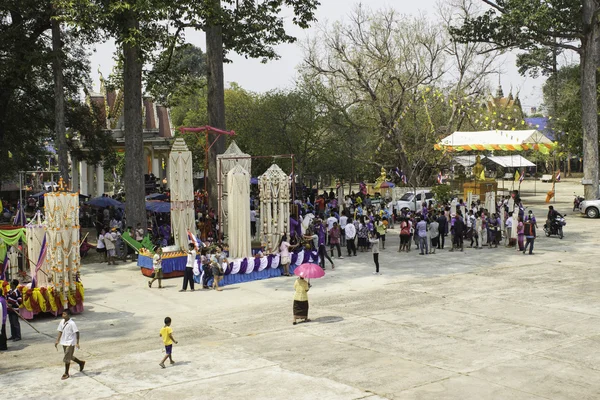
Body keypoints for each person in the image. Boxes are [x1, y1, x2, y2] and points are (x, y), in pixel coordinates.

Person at [55, 309, 85, 380]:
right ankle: (81, 362)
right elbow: (60, 331)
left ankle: (66, 373)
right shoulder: (62, 322)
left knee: (67, 358)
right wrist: (57, 340)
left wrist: (77, 343)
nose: (63, 315)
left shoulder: (72, 323)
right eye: (62, 314)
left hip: (70, 342)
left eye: (64, 314)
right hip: (64, 341)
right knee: (69, 356)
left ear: (68, 315)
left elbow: (77, 332)